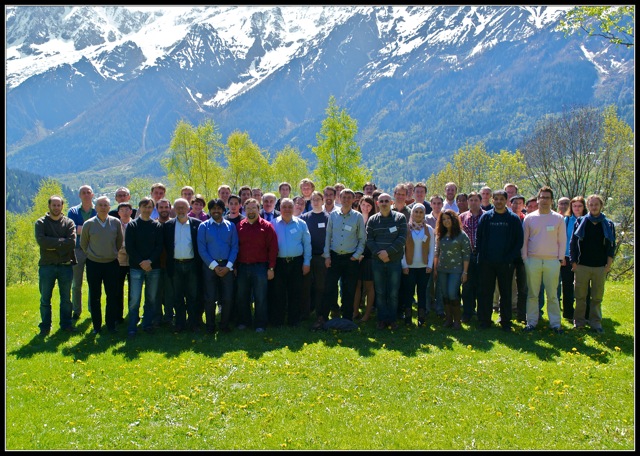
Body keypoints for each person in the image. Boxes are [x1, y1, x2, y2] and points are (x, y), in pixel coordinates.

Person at [315, 189, 366, 329]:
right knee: (329, 288)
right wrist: (327, 256)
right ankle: (322, 317)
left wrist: (356, 255)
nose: (346, 200)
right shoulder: (333, 216)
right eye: (344, 197)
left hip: (351, 259)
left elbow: (362, 239)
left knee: (349, 290)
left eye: (349, 197)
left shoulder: (358, 217)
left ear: (353, 199)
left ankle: (347, 319)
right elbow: (328, 236)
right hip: (334, 257)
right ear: (340, 198)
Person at [475, 190, 523, 331]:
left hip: (506, 263)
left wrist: (510, 259)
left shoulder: (513, 219)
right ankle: (485, 320)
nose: (498, 201)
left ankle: (505, 321)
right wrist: (482, 258)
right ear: (492, 200)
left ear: (506, 200)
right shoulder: (486, 218)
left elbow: (518, 242)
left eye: (502, 199)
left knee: (506, 292)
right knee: (486, 292)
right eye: (496, 199)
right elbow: (479, 239)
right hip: (487, 263)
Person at [522, 186, 567, 334]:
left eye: (547, 197)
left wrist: (560, 259)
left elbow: (562, 240)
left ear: (552, 200)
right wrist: (525, 259)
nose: (544, 200)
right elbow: (524, 240)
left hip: (552, 261)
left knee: (552, 295)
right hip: (533, 260)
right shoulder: (530, 218)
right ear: (538, 199)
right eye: (542, 197)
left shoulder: (558, 218)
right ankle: (531, 322)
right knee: (533, 294)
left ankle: (555, 324)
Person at [570, 194, 615, 334]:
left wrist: (608, 265)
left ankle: (595, 322)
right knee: (580, 296)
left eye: (596, 204)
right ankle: (579, 322)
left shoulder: (608, 224)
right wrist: (574, 262)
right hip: (582, 265)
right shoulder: (580, 222)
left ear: (601, 205)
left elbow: (611, 246)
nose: (594, 207)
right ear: (587, 206)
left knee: (596, 297)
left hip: (599, 266)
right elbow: (573, 243)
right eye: (591, 204)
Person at [35, 195, 77, 336]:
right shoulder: (41, 223)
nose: (56, 207)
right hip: (47, 266)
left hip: (65, 265)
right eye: (54, 205)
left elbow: (71, 243)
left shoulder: (69, 222)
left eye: (59, 205)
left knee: (66, 299)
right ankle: (45, 327)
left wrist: (52, 243)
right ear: (49, 206)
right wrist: (61, 242)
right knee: (45, 299)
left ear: (62, 206)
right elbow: (42, 242)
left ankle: (66, 324)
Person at [80, 196, 123, 335]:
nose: (103, 207)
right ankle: (96, 326)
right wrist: (93, 255)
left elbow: (119, 241)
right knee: (95, 296)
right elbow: (83, 244)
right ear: (96, 207)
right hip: (94, 264)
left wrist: (111, 253)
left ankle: (110, 325)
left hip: (111, 264)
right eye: (100, 205)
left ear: (109, 208)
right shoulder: (89, 224)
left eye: (106, 205)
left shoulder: (116, 222)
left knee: (112, 295)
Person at [235, 198, 278, 333]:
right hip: (242, 267)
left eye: (254, 208)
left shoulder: (267, 226)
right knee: (242, 297)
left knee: (260, 297)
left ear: (259, 209)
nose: (251, 211)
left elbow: (273, 248)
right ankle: (244, 321)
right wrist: (235, 267)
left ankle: (260, 324)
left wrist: (271, 268)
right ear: (244, 210)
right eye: (248, 209)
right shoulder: (240, 226)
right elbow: (235, 247)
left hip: (260, 267)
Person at [366, 192, 407, 330]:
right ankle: (382, 319)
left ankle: (392, 319)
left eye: (386, 201)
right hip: (377, 262)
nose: (384, 203)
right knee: (380, 292)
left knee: (393, 292)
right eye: (381, 201)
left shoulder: (400, 218)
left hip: (394, 261)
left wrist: (387, 253)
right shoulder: (372, 220)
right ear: (377, 203)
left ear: (391, 203)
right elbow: (369, 240)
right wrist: (380, 254)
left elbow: (402, 238)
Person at [197, 198, 238, 334]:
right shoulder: (203, 226)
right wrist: (214, 266)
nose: (216, 211)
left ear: (223, 210)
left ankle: (224, 324)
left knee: (227, 297)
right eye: (213, 208)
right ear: (209, 210)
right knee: (210, 298)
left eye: (219, 208)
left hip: (227, 265)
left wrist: (228, 266)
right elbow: (202, 249)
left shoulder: (230, 226)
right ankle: (210, 325)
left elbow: (234, 247)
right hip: (210, 266)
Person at [125, 197, 164, 337]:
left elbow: (159, 246)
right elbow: (130, 247)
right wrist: (142, 262)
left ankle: (147, 324)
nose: (147, 209)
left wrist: (150, 261)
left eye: (149, 207)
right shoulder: (132, 225)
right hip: (136, 267)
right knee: (135, 298)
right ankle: (132, 326)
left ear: (153, 208)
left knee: (151, 298)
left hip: (154, 268)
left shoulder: (157, 226)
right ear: (140, 207)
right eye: (144, 206)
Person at [164, 198, 203, 333]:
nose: (181, 210)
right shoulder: (168, 226)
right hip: (175, 265)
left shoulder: (197, 225)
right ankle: (179, 323)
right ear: (173, 209)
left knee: (193, 295)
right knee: (178, 296)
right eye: (178, 207)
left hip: (192, 265)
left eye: (183, 207)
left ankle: (193, 323)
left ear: (188, 209)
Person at [272, 198, 312, 327]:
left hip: (296, 262)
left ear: (294, 208)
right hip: (279, 263)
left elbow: (307, 244)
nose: (287, 209)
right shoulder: (273, 224)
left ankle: (294, 320)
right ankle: (278, 320)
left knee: (295, 292)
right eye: (284, 207)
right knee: (279, 292)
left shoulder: (301, 224)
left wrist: (306, 262)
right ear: (280, 209)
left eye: (290, 207)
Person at [433, 209, 470, 330]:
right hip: (442, 269)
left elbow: (466, 254)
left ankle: (457, 320)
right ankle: (448, 319)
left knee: (452, 293)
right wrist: (435, 269)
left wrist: (465, 272)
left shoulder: (461, 235)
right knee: (444, 294)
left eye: (448, 218)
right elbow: (437, 252)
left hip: (456, 270)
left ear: (454, 219)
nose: (446, 221)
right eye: (443, 219)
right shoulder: (440, 234)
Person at [401, 203, 434, 327]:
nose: (418, 214)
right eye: (416, 212)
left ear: (424, 214)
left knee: (422, 293)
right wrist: (404, 265)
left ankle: (421, 317)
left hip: (424, 267)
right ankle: (408, 317)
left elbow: (432, 249)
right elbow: (402, 249)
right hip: (409, 267)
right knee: (408, 292)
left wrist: (430, 265)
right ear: (412, 213)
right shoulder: (406, 228)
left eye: (421, 212)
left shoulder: (429, 229)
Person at [67, 184, 96, 320]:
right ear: (79, 195)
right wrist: (91, 229)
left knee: (93, 282)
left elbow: (99, 230)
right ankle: (76, 311)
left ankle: (92, 309)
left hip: (93, 250)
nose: (86, 194)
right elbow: (72, 229)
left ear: (92, 195)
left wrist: (81, 229)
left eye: (88, 192)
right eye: (83, 192)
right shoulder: (73, 211)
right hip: (77, 250)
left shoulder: (98, 210)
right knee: (76, 283)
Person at [300, 191, 329, 321]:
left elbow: (332, 237)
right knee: (305, 286)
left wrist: (327, 254)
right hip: (307, 257)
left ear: (323, 201)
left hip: (321, 257)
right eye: (313, 200)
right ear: (310, 202)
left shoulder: (328, 217)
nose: (316, 202)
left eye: (318, 199)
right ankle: (305, 313)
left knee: (320, 287)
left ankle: (320, 313)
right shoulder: (304, 218)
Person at [560, 196, 588, 321]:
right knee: (567, 286)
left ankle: (585, 314)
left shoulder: (588, 220)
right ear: (571, 207)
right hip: (567, 257)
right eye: (574, 206)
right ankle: (568, 313)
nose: (577, 208)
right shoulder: (566, 220)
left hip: (583, 258)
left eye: (579, 206)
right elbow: (561, 239)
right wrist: (562, 256)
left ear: (584, 207)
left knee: (585, 287)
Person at [459, 191, 484, 324]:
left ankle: (481, 313)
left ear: (480, 201)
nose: (473, 202)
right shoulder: (462, 217)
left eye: (476, 200)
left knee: (482, 286)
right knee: (467, 286)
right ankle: (467, 312)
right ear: (468, 202)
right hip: (467, 256)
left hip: (482, 256)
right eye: (471, 200)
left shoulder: (486, 216)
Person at [352, 195, 377, 322]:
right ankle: (355, 311)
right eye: (363, 205)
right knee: (356, 286)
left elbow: (373, 240)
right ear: (359, 205)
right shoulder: (355, 218)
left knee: (369, 286)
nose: (365, 207)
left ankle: (367, 314)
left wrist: (363, 254)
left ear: (372, 207)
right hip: (355, 257)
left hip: (368, 257)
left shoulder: (374, 220)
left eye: (368, 205)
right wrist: (357, 254)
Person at [425, 194, 445, 319]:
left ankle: (440, 309)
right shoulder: (425, 219)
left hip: (443, 256)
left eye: (439, 203)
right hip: (428, 255)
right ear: (431, 204)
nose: (437, 206)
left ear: (442, 205)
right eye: (434, 203)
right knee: (427, 284)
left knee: (440, 284)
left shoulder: (446, 218)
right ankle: (426, 308)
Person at [115, 202, 133, 324]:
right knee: (117, 290)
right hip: (119, 261)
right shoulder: (114, 225)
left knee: (133, 290)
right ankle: (118, 316)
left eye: (127, 209)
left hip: (133, 262)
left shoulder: (135, 224)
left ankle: (132, 315)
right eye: (122, 210)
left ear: (131, 212)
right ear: (118, 213)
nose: (125, 212)